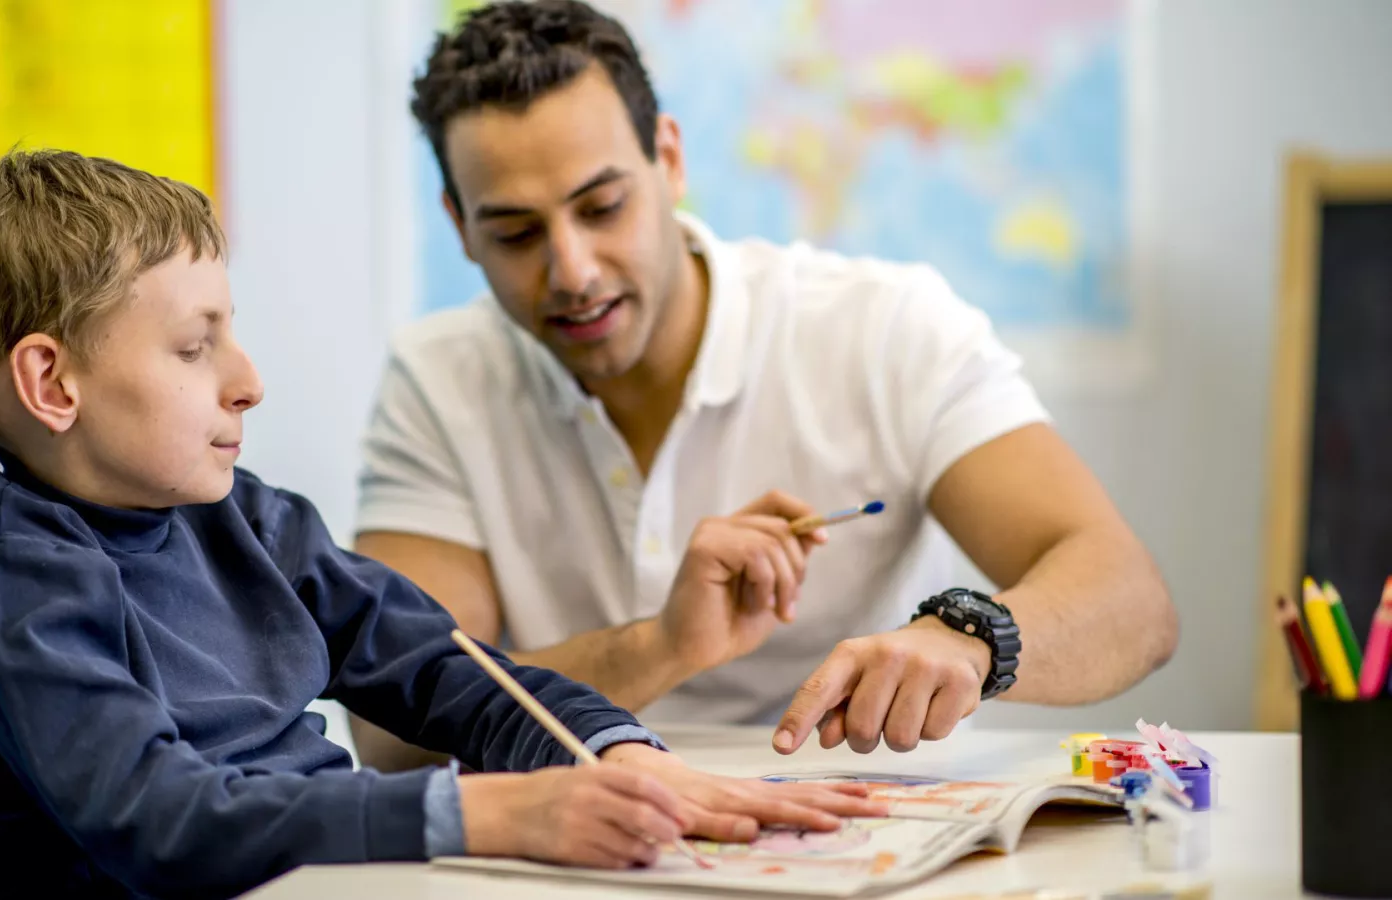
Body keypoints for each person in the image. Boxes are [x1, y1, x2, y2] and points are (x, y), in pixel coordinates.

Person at [0, 149, 881, 899]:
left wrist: (616, 756)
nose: (248, 382)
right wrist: (484, 810)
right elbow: (157, 821)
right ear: (49, 381)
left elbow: (455, 671)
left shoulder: (246, 518)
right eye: (196, 347)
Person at [350, 0, 1177, 770]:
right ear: (460, 227)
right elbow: (391, 727)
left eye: (602, 207)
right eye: (516, 232)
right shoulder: (438, 380)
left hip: (860, 827)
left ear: (668, 160)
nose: (572, 270)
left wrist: (970, 637)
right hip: (571, 834)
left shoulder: (886, 329)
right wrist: (662, 644)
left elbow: (1130, 600)